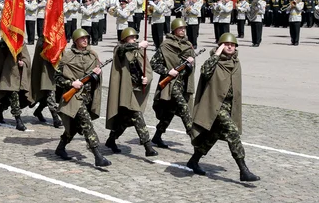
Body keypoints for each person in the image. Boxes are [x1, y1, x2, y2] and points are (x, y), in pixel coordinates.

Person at [187, 33, 260, 182]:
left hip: (229, 105)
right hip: (215, 104)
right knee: (232, 133)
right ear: (220, 46)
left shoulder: (235, 62)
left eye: (232, 45)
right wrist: (216, 54)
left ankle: (194, 160)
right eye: (226, 44)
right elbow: (204, 71)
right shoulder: (214, 62)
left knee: (212, 135)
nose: (230, 46)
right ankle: (243, 170)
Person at [54, 29, 111, 167]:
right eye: (82, 39)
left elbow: (94, 79)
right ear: (75, 41)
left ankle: (60, 148)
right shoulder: (67, 57)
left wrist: (97, 74)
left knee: (74, 127)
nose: (85, 40)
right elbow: (57, 77)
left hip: (87, 97)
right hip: (74, 96)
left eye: (86, 38)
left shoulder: (93, 55)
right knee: (87, 124)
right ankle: (98, 156)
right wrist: (71, 83)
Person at [105, 28, 158, 157]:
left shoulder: (138, 51)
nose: (134, 39)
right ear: (124, 38)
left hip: (136, 89)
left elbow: (146, 68)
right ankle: (148, 146)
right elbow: (123, 49)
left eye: (136, 37)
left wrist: (146, 78)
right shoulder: (120, 49)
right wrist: (138, 44)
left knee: (125, 119)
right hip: (126, 90)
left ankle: (111, 139)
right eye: (132, 37)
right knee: (137, 114)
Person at [150, 18, 196, 148]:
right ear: (174, 30)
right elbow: (154, 64)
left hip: (183, 83)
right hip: (171, 83)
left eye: (184, 28)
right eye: (180, 28)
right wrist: (168, 71)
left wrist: (190, 64)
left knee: (170, 111)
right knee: (184, 108)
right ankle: (194, 139)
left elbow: (191, 69)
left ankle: (157, 136)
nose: (183, 30)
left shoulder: (188, 45)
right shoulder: (166, 46)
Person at [0, 40, 34, 131]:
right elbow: (2, 57)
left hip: (18, 74)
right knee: (13, 95)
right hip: (8, 74)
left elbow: (26, 57)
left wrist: (23, 62)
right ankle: (18, 121)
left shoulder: (20, 39)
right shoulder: (5, 41)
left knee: (8, 97)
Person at [30, 37, 63, 128]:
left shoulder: (58, 34)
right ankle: (55, 117)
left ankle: (38, 111)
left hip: (57, 67)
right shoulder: (43, 39)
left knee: (51, 93)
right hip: (47, 69)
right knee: (49, 91)